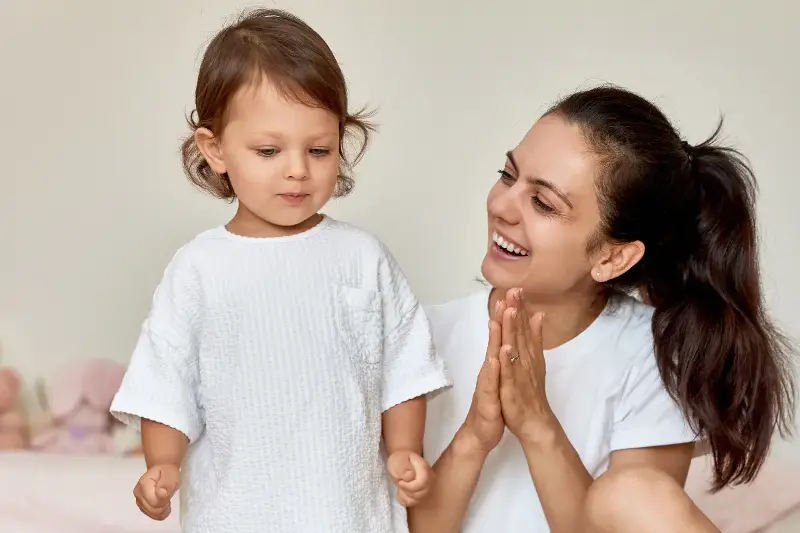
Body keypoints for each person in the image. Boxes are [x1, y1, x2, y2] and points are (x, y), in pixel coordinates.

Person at [109, 9, 451, 533]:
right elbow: (165, 379)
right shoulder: (199, 268)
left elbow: (403, 368)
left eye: (320, 149)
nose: (297, 169)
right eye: (269, 151)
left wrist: (405, 449)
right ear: (215, 149)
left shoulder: (362, 257)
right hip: (236, 514)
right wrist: (162, 463)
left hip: (347, 513)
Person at [409, 85, 796, 533]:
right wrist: (474, 436)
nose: (501, 207)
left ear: (613, 258)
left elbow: (629, 519)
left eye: (543, 203)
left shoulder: (654, 356)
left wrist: (537, 424)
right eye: (508, 175)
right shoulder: (420, 334)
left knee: (631, 492)